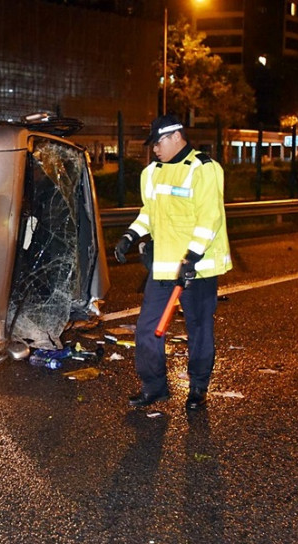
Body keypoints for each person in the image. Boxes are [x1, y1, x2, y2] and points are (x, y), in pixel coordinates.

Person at [114, 114, 232, 410]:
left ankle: (197, 388)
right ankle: (154, 387)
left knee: (198, 327)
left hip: (197, 268)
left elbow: (211, 217)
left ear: (176, 137)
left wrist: (192, 257)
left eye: (158, 143)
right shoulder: (152, 172)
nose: (154, 149)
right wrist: (130, 235)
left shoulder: (203, 169)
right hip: (164, 266)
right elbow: (149, 213)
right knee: (147, 329)